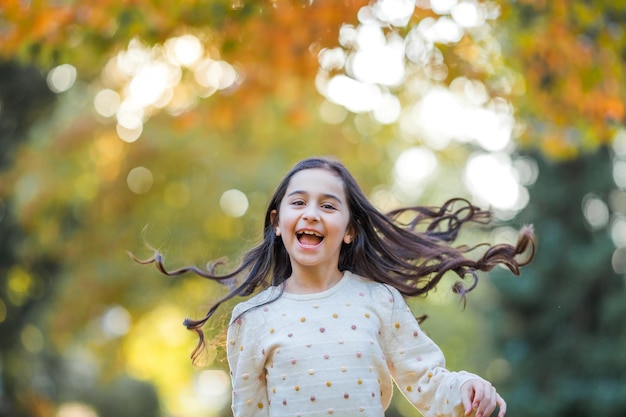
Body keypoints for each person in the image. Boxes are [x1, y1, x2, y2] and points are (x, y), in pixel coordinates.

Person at [132, 157, 535, 417]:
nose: (312, 214)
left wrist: (467, 386)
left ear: (349, 230)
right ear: (277, 222)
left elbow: (427, 384)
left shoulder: (379, 301)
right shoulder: (252, 319)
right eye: (299, 203)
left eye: (328, 206)